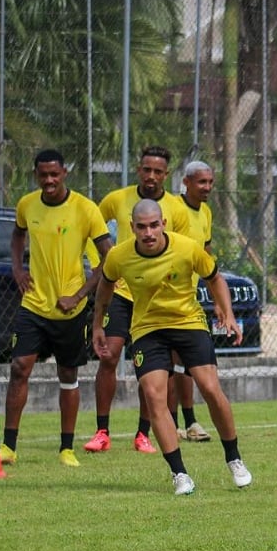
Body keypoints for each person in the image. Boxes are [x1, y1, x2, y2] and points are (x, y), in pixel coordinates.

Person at [91, 199, 252, 496]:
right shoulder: (119, 256)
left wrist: (226, 312)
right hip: (147, 330)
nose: (149, 232)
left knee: (210, 388)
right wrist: (99, 325)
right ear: (132, 228)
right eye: (142, 227)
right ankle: (179, 473)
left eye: (154, 225)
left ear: (163, 223)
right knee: (155, 397)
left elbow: (215, 278)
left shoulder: (188, 247)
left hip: (188, 323)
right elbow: (105, 286)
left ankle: (234, 458)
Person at [0, 149, 110, 467]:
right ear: (36, 174)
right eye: (43, 175)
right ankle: (8, 447)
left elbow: (108, 258)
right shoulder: (26, 204)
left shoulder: (85, 209)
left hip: (69, 312)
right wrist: (18, 270)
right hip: (33, 305)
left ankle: (66, 448)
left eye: (54, 174)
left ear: (64, 173)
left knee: (68, 374)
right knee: (19, 367)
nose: (49, 180)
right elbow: (18, 235)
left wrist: (78, 296)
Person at [86, 145, 192, 455]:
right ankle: (102, 431)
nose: (151, 176)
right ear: (139, 169)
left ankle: (142, 434)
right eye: (146, 169)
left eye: (158, 171)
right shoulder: (117, 199)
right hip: (121, 293)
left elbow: (183, 252)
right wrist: (101, 265)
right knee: (108, 356)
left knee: (152, 366)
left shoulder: (177, 209)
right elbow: (93, 229)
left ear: (166, 174)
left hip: (158, 301)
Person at [169, 160, 216, 444]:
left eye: (210, 182)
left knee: (184, 363)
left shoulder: (206, 212)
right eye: (202, 182)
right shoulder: (174, 209)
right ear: (186, 182)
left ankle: (188, 422)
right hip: (170, 296)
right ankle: (175, 422)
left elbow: (206, 251)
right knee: (173, 363)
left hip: (192, 296)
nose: (207, 187)